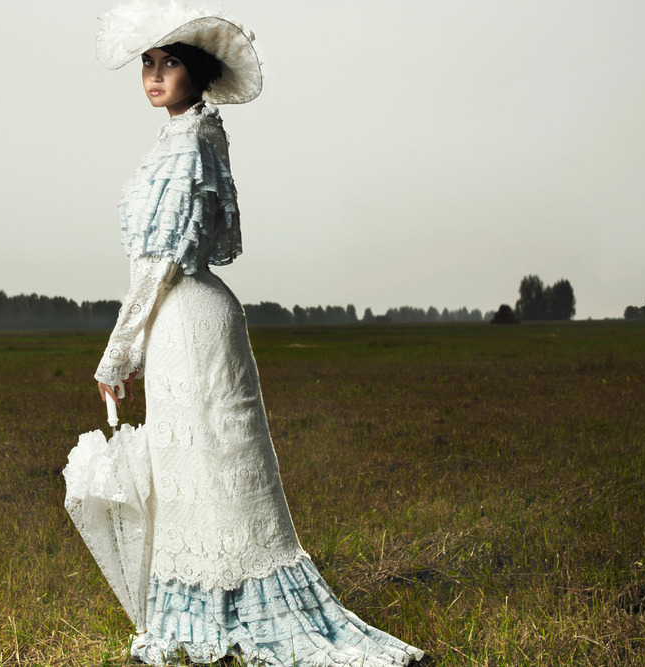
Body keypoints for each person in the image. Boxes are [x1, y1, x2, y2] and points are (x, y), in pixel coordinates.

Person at [88, 1, 424, 664]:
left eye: (170, 63)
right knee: (196, 472)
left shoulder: (190, 145)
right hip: (181, 322)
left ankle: (239, 609)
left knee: (217, 469)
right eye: (148, 64)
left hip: (185, 319)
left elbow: (158, 263)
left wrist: (116, 353)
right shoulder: (188, 136)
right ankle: (205, 609)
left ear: (199, 71)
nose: (154, 76)